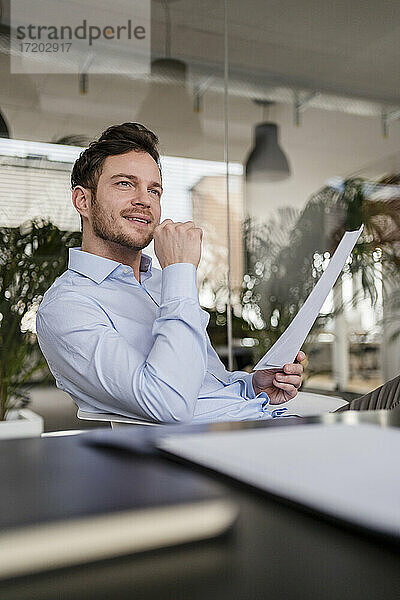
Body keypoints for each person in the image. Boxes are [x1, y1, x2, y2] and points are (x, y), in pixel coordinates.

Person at [36, 122, 304, 424]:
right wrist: (179, 271)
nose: (145, 200)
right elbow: (168, 404)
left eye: (154, 190)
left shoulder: (163, 284)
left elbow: (204, 382)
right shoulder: (67, 307)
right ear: (82, 200)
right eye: (125, 183)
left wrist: (254, 386)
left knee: (370, 408)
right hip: (222, 450)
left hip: (264, 419)